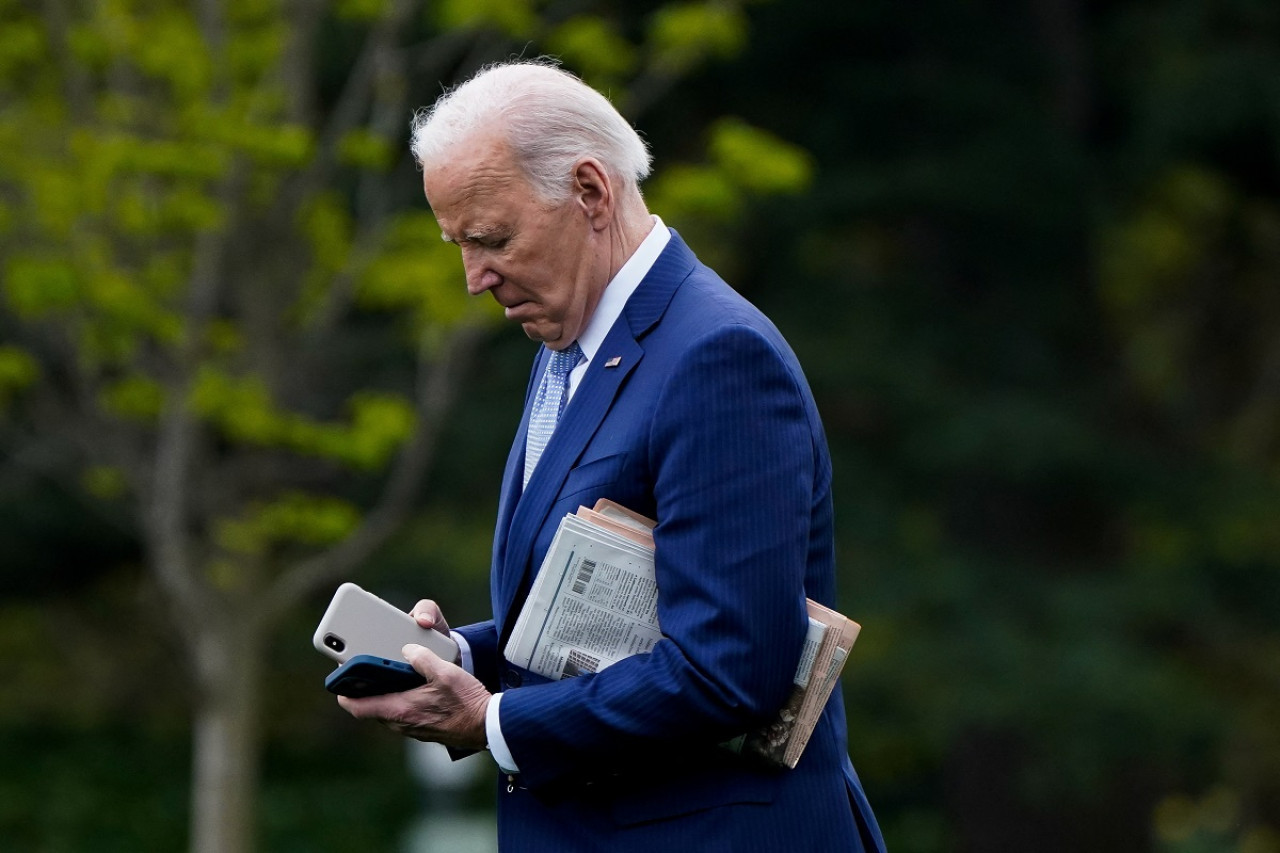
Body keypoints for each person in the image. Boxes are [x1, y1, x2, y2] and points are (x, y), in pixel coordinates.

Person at [339, 59, 886, 852]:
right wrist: (460, 657)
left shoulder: (718, 356)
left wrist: (491, 718)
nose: (473, 277)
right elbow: (602, 621)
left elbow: (730, 667)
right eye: (459, 244)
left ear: (591, 193)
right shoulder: (571, 339)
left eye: (491, 237)